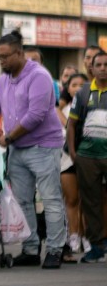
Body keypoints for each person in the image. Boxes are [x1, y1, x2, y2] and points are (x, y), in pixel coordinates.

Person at [0, 31, 66, 269]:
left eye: (5, 57)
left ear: (19, 53)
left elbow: (36, 116)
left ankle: (55, 249)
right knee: (23, 201)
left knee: (50, 199)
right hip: (18, 150)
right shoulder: (4, 79)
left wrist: (8, 137)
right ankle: (30, 250)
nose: (2, 62)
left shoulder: (39, 76)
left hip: (44, 147)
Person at [67, 51, 107, 263]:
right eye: (98, 65)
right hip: (87, 157)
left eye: (106, 64)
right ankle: (97, 246)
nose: (102, 68)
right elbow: (71, 124)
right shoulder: (82, 93)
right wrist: (74, 153)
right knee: (90, 202)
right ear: (91, 68)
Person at [58, 73, 88, 260]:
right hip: (66, 159)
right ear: (67, 89)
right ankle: (73, 236)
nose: (77, 88)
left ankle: (87, 237)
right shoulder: (62, 110)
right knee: (71, 200)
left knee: (87, 200)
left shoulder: (94, 108)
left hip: (88, 159)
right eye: (73, 84)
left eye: (81, 84)